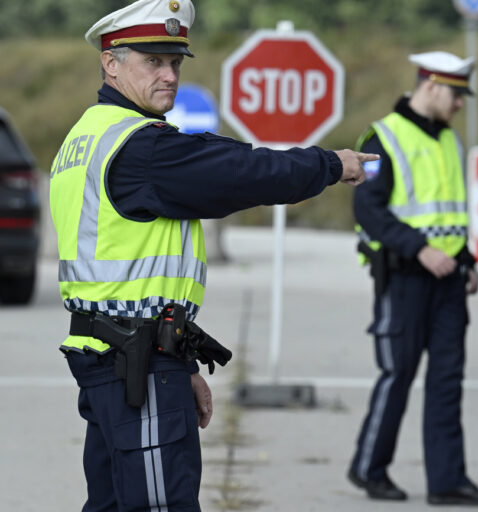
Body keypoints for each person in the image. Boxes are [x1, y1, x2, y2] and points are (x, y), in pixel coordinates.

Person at [48, 0, 374, 510]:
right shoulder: (140, 148)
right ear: (111, 62)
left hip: (118, 362)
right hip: (138, 371)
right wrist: (331, 164)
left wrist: (180, 365)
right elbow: (240, 172)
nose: (170, 74)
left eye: (175, 62)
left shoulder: (84, 137)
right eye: (153, 61)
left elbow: (126, 279)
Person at [347, 51, 478, 506]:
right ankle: (369, 469)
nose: (460, 104)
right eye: (456, 94)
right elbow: (368, 210)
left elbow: (451, 215)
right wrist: (420, 249)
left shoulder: (449, 141)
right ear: (431, 86)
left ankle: (447, 481)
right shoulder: (381, 139)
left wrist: (467, 260)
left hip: (449, 280)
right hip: (404, 278)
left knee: (447, 380)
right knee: (398, 374)